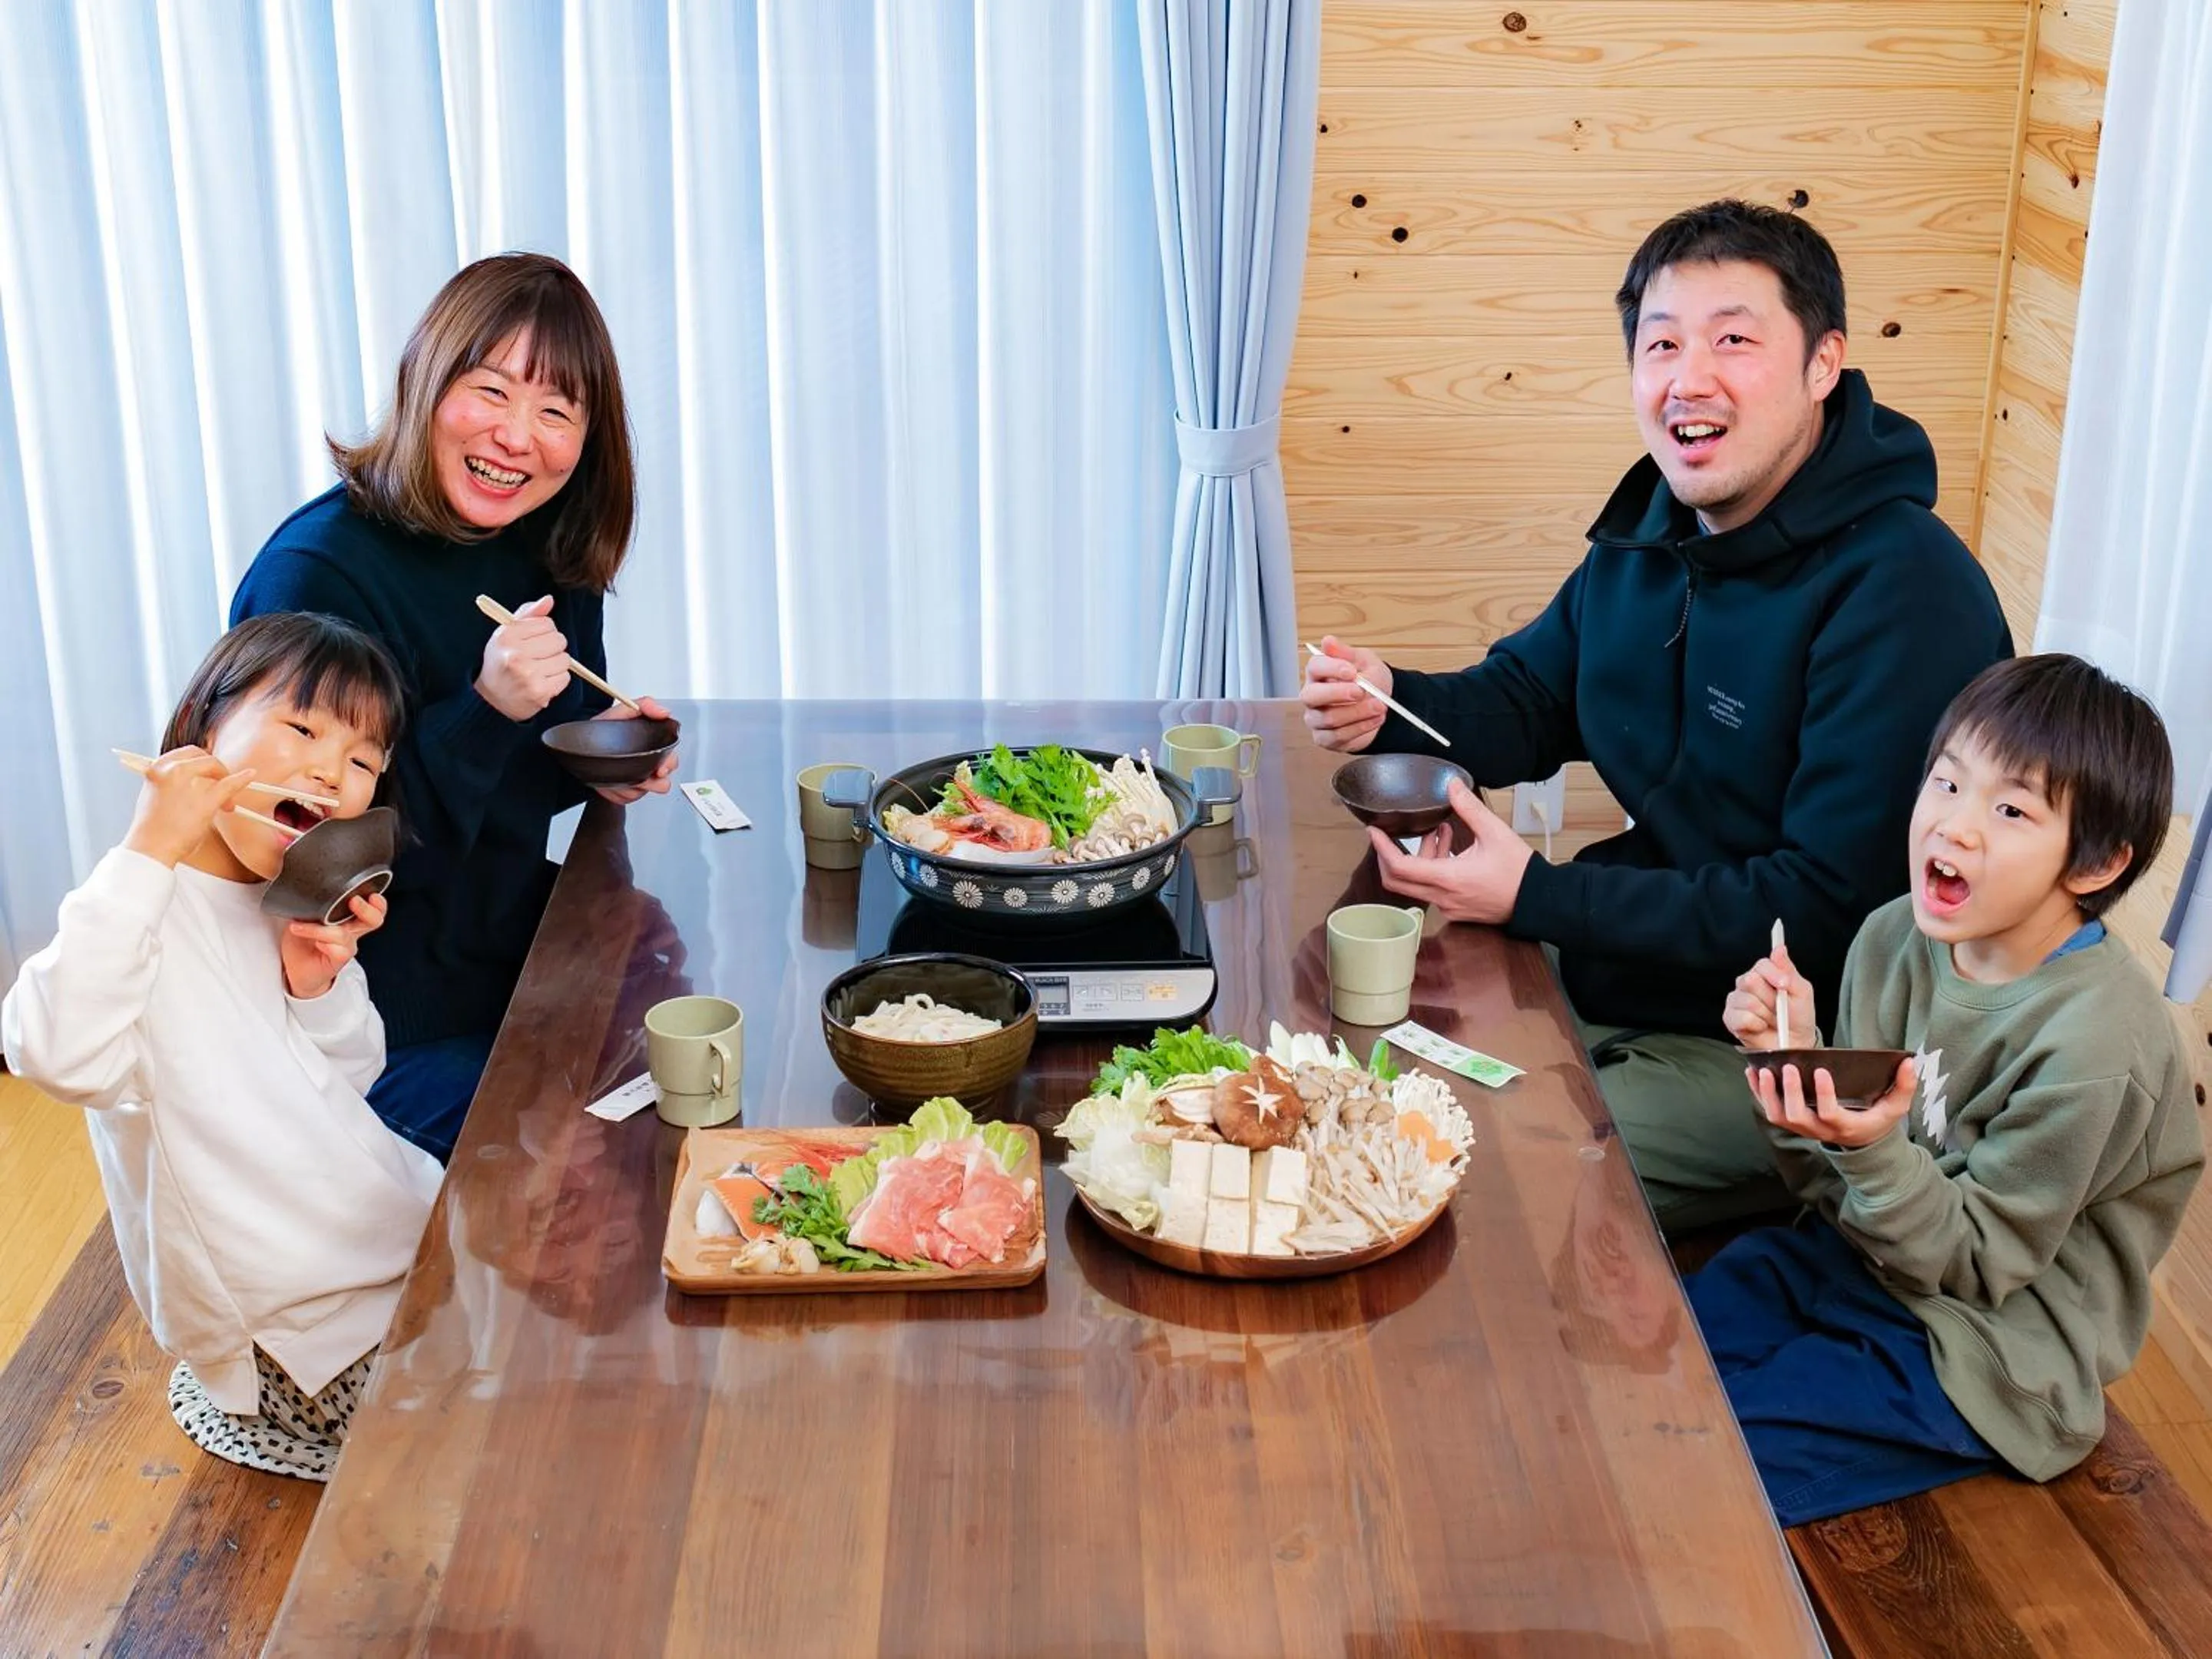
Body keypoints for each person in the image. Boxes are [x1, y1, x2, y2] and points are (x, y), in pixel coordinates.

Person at [1301, 200, 2012, 1230]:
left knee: (1476, 1163)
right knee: (1361, 1051)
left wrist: (1535, 897)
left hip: (1810, 1047)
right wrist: (1389, 701)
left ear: (1824, 365)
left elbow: (1821, 910)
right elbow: (1531, 699)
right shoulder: (1654, 530)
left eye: (1734, 339)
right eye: (1661, 344)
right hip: (1636, 969)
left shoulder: (1907, 590)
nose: (1690, 377)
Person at [1694, 654, 2200, 1525]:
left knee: (1710, 1463)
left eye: (2010, 810)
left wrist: (1868, 1146)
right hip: (1861, 1259)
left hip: (1989, 1348)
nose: (1954, 827)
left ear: (2094, 864)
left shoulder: (2097, 1044)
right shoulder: (1891, 939)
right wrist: (1793, 1062)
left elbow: (1973, 1266)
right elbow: (1826, 1188)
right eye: (1947, 782)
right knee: (1657, 1356)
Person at [230, 253, 676, 1162]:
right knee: (580, 1157)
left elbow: (510, 792)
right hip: (363, 1011)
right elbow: (312, 864)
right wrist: (484, 705)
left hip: (499, 949)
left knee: (695, 1045)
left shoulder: (544, 545)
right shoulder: (315, 577)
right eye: (491, 392)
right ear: (426, 387)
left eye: (556, 411)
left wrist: (603, 761)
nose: (518, 437)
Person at [2, 613, 444, 1481]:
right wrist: (149, 848)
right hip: (287, 1330)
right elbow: (49, 1051)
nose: (331, 769)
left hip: (384, 1243)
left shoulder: (292, 894)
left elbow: (350, 1083)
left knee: (558, 1335)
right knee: (461, 1452)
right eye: (303, 728)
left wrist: (314, 986)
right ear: (204, 728)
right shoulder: (133, 907)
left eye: (362, 761)